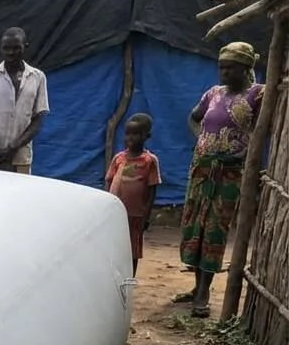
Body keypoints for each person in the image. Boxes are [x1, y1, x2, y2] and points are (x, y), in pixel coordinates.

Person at [174, 42, 264, 318]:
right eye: (221, 68)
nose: (223, 73)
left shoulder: (257, 95)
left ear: (246, 69)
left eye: (230, 68)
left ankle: (203, 293)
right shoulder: (213, 93)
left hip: (229, 173)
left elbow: (263, 130)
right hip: (202, 170)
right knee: (195, 226)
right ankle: (195, 286)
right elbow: (194, 117)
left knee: (214, 229)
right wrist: (201, 139)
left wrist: (244, 151)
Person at [0, 27, 49, 174]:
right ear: (0, 49)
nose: (11, 52)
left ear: (26, 47)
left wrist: (13, 148)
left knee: (19, 196)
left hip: (20, 158)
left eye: (16, 48)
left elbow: (37, 120)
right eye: (6, 48)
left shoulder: (38, 78)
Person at [106, 113, 162, 276]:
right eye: (128, 133)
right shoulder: (118, 158)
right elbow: (110, 182)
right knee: (114, 246)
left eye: (136, 134)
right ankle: (113, 277)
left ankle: (129, 280)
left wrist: (146, 216)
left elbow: (152, 189)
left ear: (146, 136)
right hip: (116, 214)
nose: (130, 138)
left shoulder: (149, 160)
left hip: (135, 216)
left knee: (132, 251)